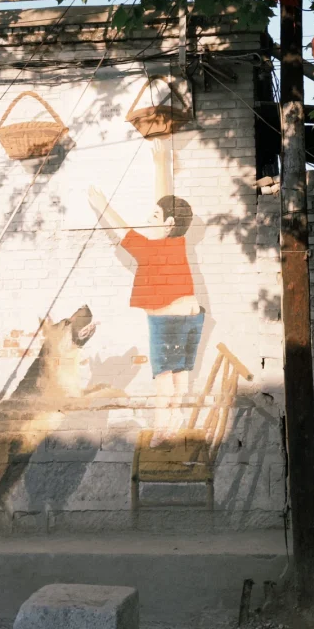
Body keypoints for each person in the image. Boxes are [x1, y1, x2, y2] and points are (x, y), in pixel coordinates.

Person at [87, 187, 203, 441]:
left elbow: (126, 233)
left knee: (163, 376)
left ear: (169, 223)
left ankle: (162, 431)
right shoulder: (177, 244)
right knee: (179, 373)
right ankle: (174, 419)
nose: (147, 221)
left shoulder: (155, 250)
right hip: (190, 311)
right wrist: (160, 157)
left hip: (169, 314)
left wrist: (102, 203)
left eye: (153, 217)